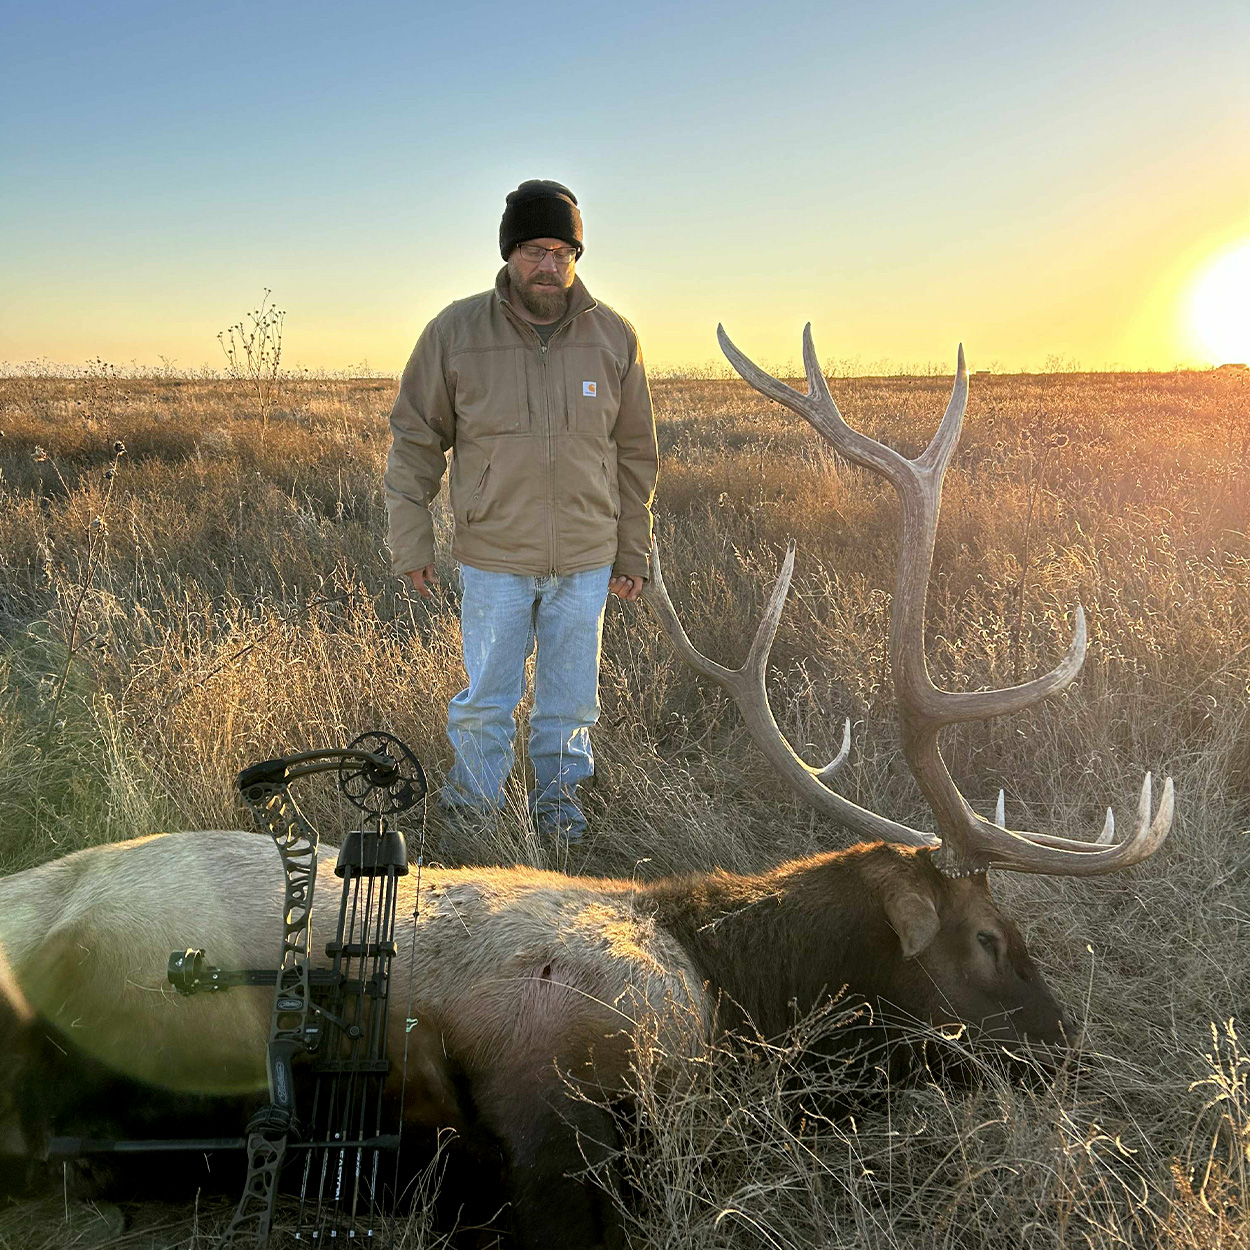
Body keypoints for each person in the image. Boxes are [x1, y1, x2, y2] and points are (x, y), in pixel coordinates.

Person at [384, 179, 658, 843]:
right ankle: (475, 812)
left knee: (569, 703)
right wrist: (411, 543)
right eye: (536, 250)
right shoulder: (455, 333)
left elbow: (635, 454)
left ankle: (558, 810)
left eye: (564, 252)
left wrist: (633, 549)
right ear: (510, 252)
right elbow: (415, 441)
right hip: (495, 558)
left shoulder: (613, 336)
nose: (550, 266)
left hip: (587, 562)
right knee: (487, 701)